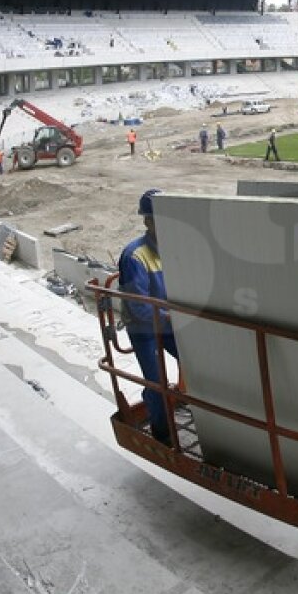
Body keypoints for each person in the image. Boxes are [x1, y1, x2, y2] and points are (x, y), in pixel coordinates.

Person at [117, 189, 179, 444]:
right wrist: (172, 316)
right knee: (157, 382)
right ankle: (162, 432)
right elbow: (139, 307)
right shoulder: (134, 256)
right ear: (147, 221)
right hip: (144, 329)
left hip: (169, 322)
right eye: (159, 219)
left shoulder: (174, 248)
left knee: (197, 364)